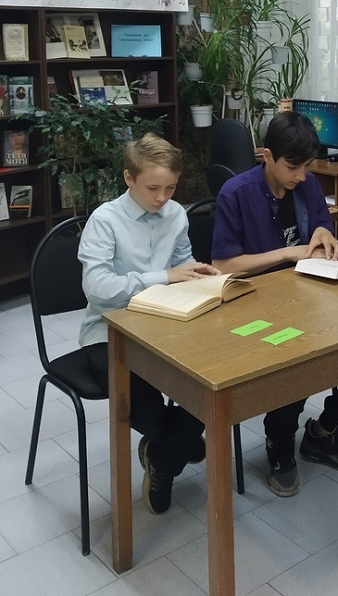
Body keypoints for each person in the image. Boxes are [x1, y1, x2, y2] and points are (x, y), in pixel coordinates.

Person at [212, 111, 338, 498]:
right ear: (267, 156)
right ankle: (279, 443)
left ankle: (323, 431)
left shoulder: (306, 184)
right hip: (258, 304)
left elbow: (320, 225)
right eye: (292, 167)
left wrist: (326, 235)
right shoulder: (236, 193)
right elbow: (222, 265)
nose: (301, 175)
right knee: (295, 361)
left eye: (307, 166)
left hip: (311, 293)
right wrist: (288, 253)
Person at [78, 133, 220, 515]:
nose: (162, 198)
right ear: (129, 178)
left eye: (170, 188)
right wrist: (163, 276)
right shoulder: (105, 221)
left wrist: (199, 274)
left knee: (210, 384)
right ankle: (174, 448)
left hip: (166, 321)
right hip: (109, 329)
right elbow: (98, 288)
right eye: (153, 188)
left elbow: (182, 262)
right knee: (142, 406)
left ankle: (163, 457)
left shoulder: (175, 214)